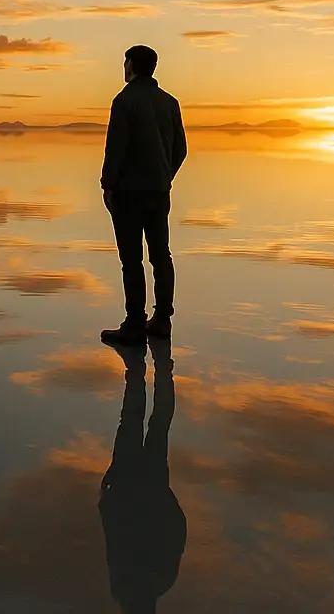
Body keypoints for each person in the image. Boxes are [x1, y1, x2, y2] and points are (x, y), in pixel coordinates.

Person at [100, 45, 186, 345]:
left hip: (128, 194)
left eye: (125, 61)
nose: (123, 66)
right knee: (161, 255)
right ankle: (162, 320)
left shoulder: (124, 101)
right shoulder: (170, 102)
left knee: (132, 260)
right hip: (159, 191)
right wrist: (164, 176)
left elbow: (116, 149)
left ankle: (135, 323)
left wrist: (107, 184)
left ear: (132, 65)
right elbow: (181, 150)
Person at [99, 338, 186, 613]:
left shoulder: (132, 584)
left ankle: (153, 371)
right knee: (148, 423)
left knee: (150, 422)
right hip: (143, 487)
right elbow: (176, 530)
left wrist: (107, 500)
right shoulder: (141, 582)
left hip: (135, 487)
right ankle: (155, 370)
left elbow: (113, 538)